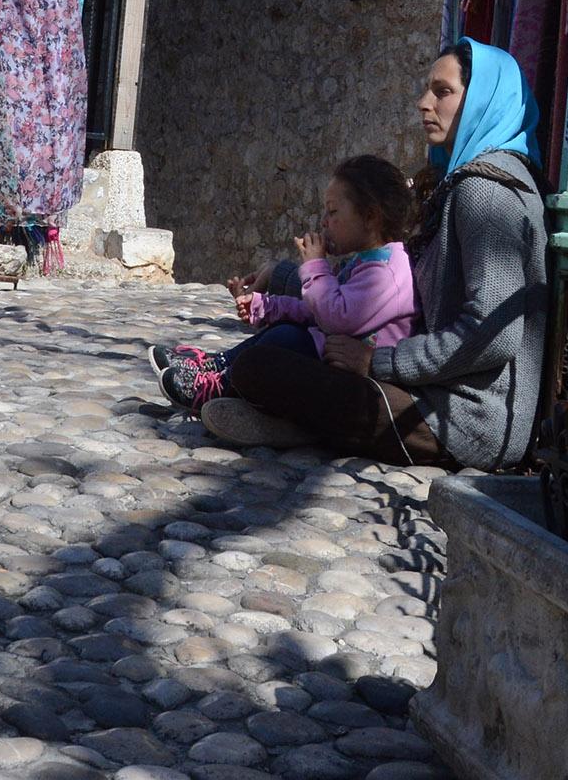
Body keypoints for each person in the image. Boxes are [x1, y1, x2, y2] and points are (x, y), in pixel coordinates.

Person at [199, 39, 549, 470]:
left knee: (261, 366)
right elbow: (393, 286)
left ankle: (294, 422)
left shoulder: (486, 193)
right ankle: (293, 423)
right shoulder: (464, 183)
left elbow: (493, 334)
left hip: (462, 421)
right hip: (431, 394)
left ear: (482, 100)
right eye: (427, 89)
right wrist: (287, 275)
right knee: (291, 346)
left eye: (443, 91)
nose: (424, 103)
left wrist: (377, 362)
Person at [149, 155, 416, 410]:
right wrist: (268, 306)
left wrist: (314, 266)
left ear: (370, 217)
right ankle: (215, 367)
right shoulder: (364, 261)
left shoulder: (388, 272)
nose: (324, 222)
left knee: (287, 338)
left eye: (333, 212)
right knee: (285, 329)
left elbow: (335, 317)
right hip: (332, 359)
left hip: (359, 383)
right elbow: (317, 311)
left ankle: (220, 387)